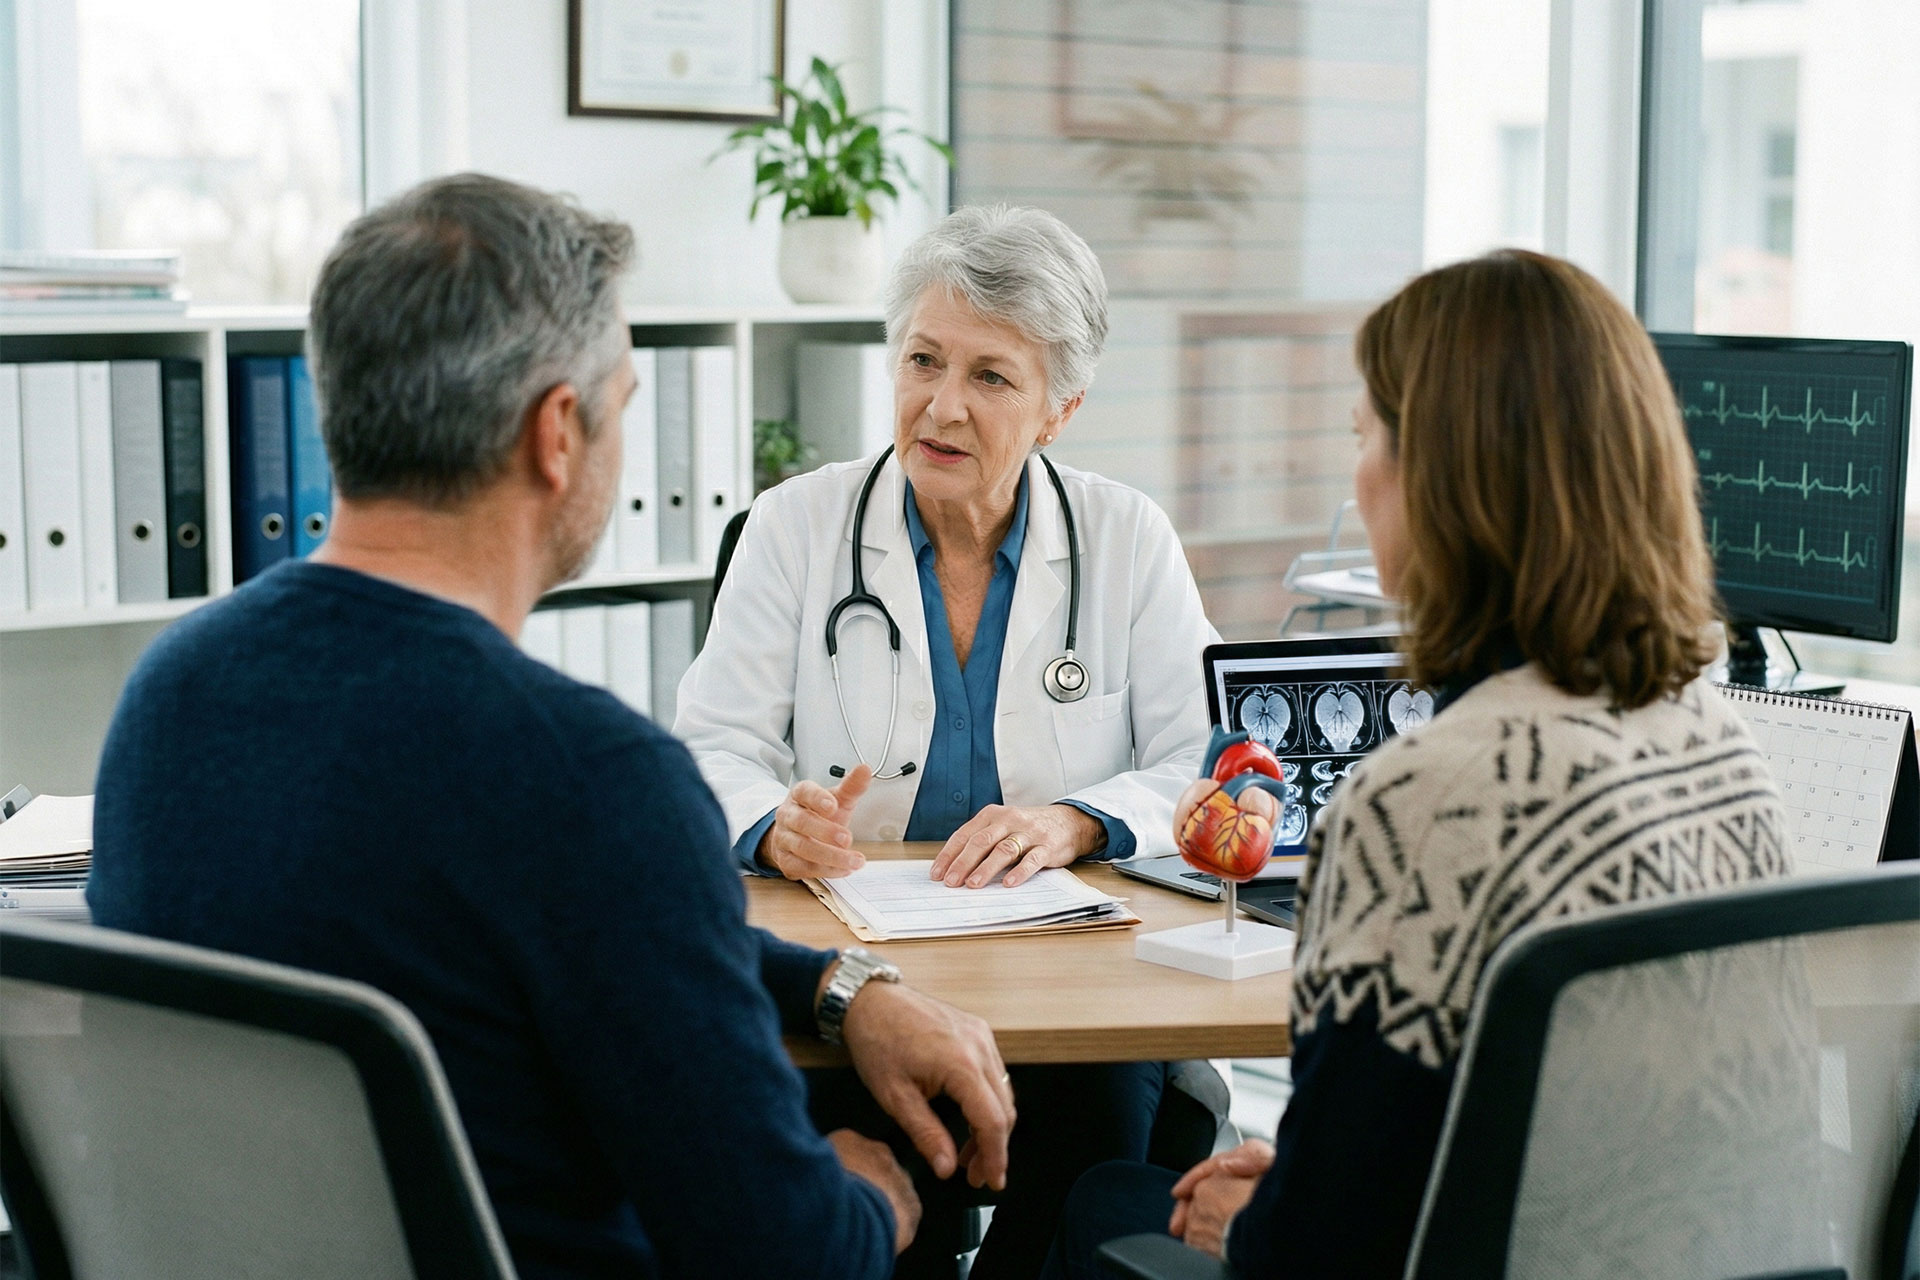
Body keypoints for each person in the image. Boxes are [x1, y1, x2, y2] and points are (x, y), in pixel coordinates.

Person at [87, 173, 1020, 1280]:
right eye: (623, 402)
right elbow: (787, 1253)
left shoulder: (169, 695)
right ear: (557, 435)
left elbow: (591, 929)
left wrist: (839, 985)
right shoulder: (591, 779)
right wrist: (871, 1190)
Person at [1042, 249, 1795, 1280]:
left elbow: (1319, 1249)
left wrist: (1258, 1216)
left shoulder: (1425, 801)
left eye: (1365, 438)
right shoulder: (1718, 741)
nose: (1356, 475)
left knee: (1107, 1205)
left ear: (1442, 482)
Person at [674, 204, 1220, 1278]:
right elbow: (707, 746)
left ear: (1060, 406)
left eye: (991, 376)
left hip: (1078, 987)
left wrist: (1076, 819)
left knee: (1079, 1184)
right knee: (873, 1202)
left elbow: (1211, 762)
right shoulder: (797, 527)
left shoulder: (1126, 539)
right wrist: (769, 822)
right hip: (860, 978)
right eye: (923, 359)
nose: (942, 404)